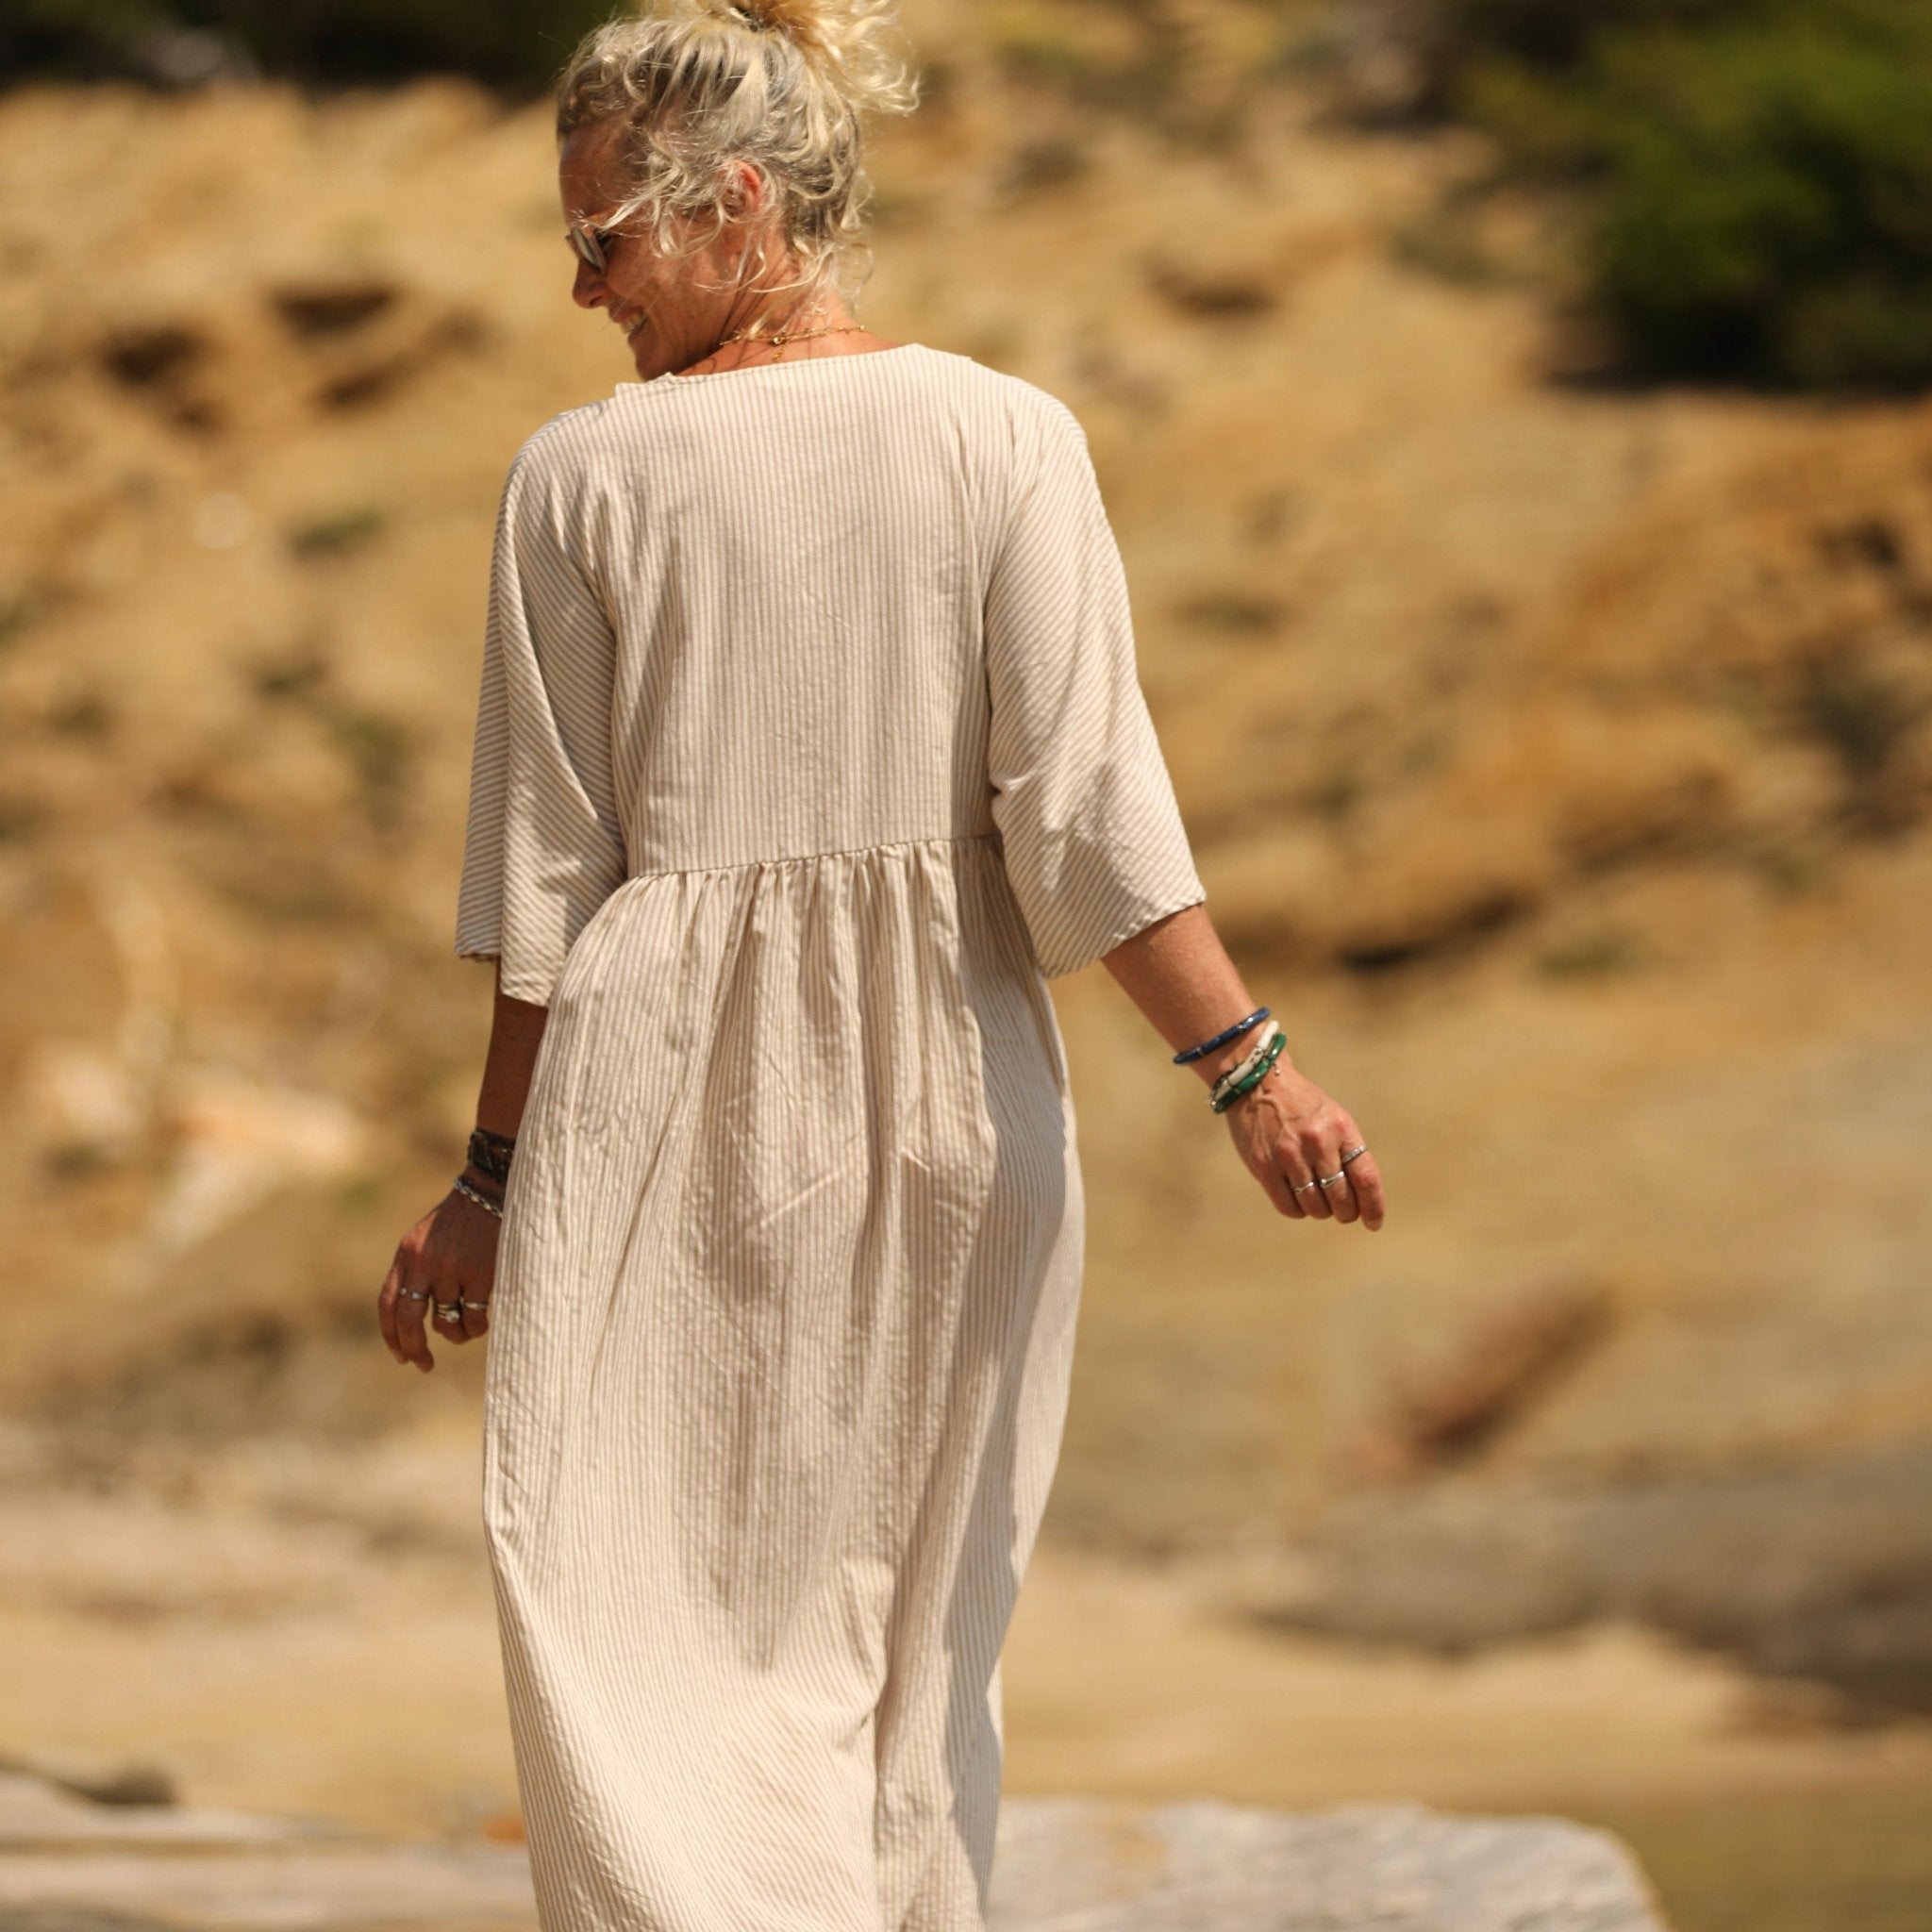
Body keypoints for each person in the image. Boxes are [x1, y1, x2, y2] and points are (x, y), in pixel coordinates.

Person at [376, 2, 1386, 1925]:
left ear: (737, 206)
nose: (580, 289)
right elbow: (1084, 822)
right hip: (949, 1099)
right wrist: (1248, 1070)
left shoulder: (578, 481)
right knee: (914, 1644)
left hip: (658, 1111)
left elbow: (551, 886)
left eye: (603, 238)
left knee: (622, 1612)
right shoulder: (1007, 436)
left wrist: (491, 1182)